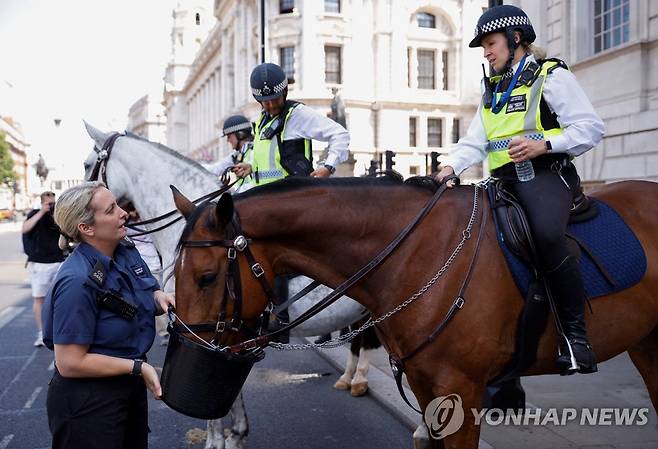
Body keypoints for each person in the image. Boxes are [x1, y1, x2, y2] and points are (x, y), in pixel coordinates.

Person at [435, 5, 604, 375]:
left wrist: (544, 144)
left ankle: (575, 338)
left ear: (515, 40)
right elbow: (475, 141)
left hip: (545, 175)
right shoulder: (492, 87)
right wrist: (449, 168)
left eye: (490, 43)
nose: (486, 52)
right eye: (483, 47)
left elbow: (590, 128)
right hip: (503, 182)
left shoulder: (550, 75)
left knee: (546, 235)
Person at [41, 181, 175, 449]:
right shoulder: (76, 280)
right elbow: (69, 362)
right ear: (86, 228)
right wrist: (139, 367)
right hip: (89, 402)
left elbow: (143, 291)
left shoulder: (122, 247)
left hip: (126, 386)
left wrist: (160, 298)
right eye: (111, 209)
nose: (123, 213)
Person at [22, 191, 66, 347]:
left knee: (61, 297)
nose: (51, 205)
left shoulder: (58, 215)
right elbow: (25, 229)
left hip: (59, 261)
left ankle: (58, 330)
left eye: (53, 202)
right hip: (40, 263)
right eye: (49, 203)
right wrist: (42, 212)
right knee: (39, 299)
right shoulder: (35, 213)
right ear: (42, 203)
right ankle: (41, 332)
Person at [205, 114, 254, 193]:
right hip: (244, 200)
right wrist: (191, 165)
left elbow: (256, 182)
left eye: (229, 136)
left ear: (240, 135)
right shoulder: (237, 155)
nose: (228, 140)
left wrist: (234, 192)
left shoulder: (254, 151)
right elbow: (215, 169)